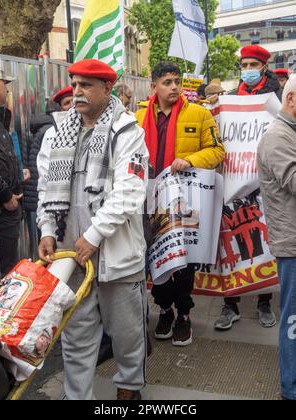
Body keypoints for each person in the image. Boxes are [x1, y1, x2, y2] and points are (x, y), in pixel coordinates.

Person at [37, 59, 149, 400]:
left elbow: (129, 192)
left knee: (127, 335)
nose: (78, 91)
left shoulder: (129, 132)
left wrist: (94, 235)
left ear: (107, 89)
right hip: (71, 258)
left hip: (116, 258)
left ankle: (129, 387)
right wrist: (46, 230)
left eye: (87, 85)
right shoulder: (56, 133)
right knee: (75, 338)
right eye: (75, 84)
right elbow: (45, 188)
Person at [136, 61, 225, 346]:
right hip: (149, 198)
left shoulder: (199, 114)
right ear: (154, 87)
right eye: (167, 82)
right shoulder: (138, 117)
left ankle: (184, 315)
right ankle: (164, 309)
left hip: (185, 200)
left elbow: (217, 151)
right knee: (155, 257)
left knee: (183, 261)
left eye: (177, 81)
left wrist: (189, 160)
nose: (174, 87)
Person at [214, 44, 278, 331]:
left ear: (263, 67)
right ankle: (231, 304)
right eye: (245, 66)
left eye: (253, 65)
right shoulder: (230, 99)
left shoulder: (275, 98)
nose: (248, 70)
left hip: (264, 183)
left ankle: (264, 301)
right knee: (231, 241)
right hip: (234, 183)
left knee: (263, 241)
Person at [257, 75, 296, 400]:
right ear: (292, 99)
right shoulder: (277, 137)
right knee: (294, 322)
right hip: (293, 245)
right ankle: (291, 389)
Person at [23, 87, 73, 258]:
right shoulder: (49, 134)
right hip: (54, 214)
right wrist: (47, 228)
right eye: (67, 103)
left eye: (74, 100)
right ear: (60, 108)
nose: (72, 105)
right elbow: (41, 176)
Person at [0, 62, 23, 277]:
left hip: (7, 211)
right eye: (5, 84)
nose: (8, 89)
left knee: (9, 272)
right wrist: (5, 195)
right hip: (2, 207)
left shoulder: (1, 118)